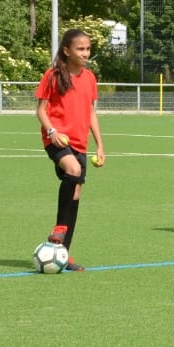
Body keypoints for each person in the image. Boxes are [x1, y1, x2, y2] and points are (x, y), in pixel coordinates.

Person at [35, 27, 105, 271]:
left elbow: (91, 112)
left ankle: (63, 253)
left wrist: (100, 144)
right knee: (73, 169)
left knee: (75, 195)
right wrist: (52, 132)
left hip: (80, 143)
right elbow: (40, 110)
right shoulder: (53, 75)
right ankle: (59, 228)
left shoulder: (90, 78)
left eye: (88, 49)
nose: (85, 53)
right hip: (56, 141)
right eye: (80, 49)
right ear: (66, 51)